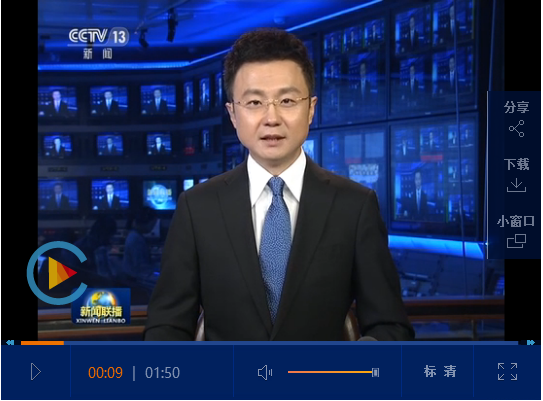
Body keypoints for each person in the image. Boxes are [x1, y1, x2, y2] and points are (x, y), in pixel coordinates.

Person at [144, 28, 414, 341]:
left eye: (287, 100)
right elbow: (166, 326)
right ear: (233, 114)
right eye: (254, 102)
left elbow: (390, 326)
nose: (271, 118)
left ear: (311, 109)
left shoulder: (354, 206)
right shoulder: (197, 208)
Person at [122, 207, 158, 280]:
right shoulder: (136, 239)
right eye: (152, 225)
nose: (152, 228)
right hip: (136, 280)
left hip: (135, 277)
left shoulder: (134, 235)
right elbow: (141, 268)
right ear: (146, 222)